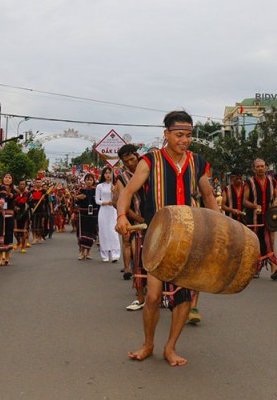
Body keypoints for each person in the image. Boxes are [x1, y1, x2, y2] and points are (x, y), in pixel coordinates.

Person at [116, 110, 219, 367]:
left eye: (188, 135)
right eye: (179, 135)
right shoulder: (150, 161)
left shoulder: (198, 161)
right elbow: (128, 192)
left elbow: (207, 195)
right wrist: (121, 216)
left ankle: (170, 347)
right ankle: (148, 344)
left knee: (183, 296)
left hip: (189, 237)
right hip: (158, 236)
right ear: (167, 134)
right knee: (152, 296)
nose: (184, 140)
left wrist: (219, 226)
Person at [243, 158, 277, 280]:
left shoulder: (271, 181)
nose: (260, 168)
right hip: (253, 219)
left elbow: (275, 197)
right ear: (254, 169)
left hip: (269, 218)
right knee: (255, 244)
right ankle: (254, 268)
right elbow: (245, 201)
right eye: (257, 167)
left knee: (270, 242)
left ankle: (274, 270)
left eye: (262, 166)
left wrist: (274, 203)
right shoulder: (249, 182)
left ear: (266, 168)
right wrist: (254, 206)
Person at [115, 144, 147, 310]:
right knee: (138, 258)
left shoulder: (149, 169)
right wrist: (136, 218)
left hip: (156, 218)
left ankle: (163, 296)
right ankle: (140, 297)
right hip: (137, 223)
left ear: (137, 156)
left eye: (132, 159)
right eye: (126, 161)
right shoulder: (122, 179)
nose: (130, 163)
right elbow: (122, 202)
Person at [96, 166, 121, 263]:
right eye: (106, 173)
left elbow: (119, 198)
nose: (107, 175)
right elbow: (97, 200)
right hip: (103, 210)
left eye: (109, 173)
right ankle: (105, 254)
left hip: (113, 210)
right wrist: (106, 203)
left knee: (113, 231)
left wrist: (114, 191)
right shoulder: (99, 186)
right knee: (103, 232)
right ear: (103, 175)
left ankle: (115, 254)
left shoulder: (115, 186)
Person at [74, 174, 98, 260]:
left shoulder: (96, 190)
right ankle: (81, 252)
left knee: (91, 233)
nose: (89, 181)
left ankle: (88, 252)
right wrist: (77, 197)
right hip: (83, 213)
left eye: (91, 180)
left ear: (93, 181)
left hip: (93, 214)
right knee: (82, 233)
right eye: (87, 180)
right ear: (85, 181)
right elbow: (75, 201)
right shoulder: (81, 190)